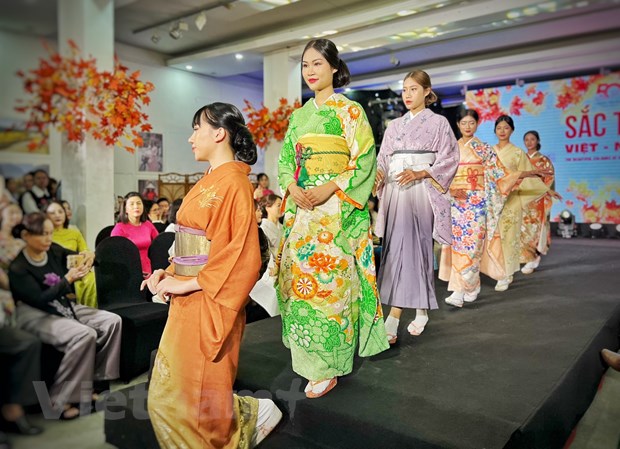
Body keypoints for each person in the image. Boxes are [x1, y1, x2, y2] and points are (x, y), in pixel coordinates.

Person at [143, 102, 281, 448]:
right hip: (189, 297)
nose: (191, 138)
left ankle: (242, 422)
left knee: (192, 404)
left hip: (211, 298)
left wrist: (186, 283)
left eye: (196, 129)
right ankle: (247, 414)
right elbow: (190, 245)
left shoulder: (234, 183)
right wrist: (167, 272)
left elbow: (240, 256)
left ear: (219, 133)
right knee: (168, 396)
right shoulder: (209, 180)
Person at [276, 38, 388, 398]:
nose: (310, 71)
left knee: (332, 288)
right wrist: (291, 187)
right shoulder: (299, 116)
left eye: (317, 64)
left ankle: (330, 365)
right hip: (303, 214)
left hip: (335, 212)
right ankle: (307, 360)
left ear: (334, 68)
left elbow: (364, 159)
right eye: (305, 65)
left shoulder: (351, 111)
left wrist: (330, 187)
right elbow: (285, 163)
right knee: (301, 287)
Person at [8, 212, 121, 420]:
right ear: (25, 235)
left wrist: (89, 256)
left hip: (60, 303)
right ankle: (59, 400)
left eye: (50, 233)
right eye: (42, 234)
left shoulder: (52, 250)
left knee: (112, 321)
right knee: (84, 334)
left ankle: (95, 383)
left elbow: (77, 256)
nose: (48, 239)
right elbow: (39, 299)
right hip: (33, 313)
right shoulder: (18, 268)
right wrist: (67, 280)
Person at [374, 70, 459, 343]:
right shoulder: (394, 126)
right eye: (404, 89)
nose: (407, 94)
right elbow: (383, 158)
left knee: (415, 248)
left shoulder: (439, 123)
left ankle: (394, 315)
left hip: (422, 190)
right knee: (396, 249)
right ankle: (421, 309)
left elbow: (450, 157)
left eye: (413, 89)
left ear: (426, 91)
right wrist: (378, 175)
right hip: (396, 189)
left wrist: (422, 172)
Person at [439, 109, 517, 307]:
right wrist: (450, 191)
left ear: (477, 124)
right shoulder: (450, 148)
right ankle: (469, 288)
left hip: (477, 203)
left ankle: (461, 289)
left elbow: (500, 174)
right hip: (457, 203)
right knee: (458, 247)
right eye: (464, 123)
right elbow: (441, 176)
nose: (468, 127)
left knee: (472, 247)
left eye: (471, 123)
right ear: (458, 124)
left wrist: (521, 175)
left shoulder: (484, 149)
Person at [491, 116, 551, 291]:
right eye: (499, 128)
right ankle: (498, 270)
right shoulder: (489, 152)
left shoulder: (517, 153)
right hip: (492, 201)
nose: (502, 131)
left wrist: (545, 190)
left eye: (506, 128)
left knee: (509, 238)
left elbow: (528, 177)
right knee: (494, 238)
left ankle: (506, 273)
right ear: (495, 130)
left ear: (512, 130)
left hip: (511, 200)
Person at [520, 130, 560, 274]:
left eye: (532, 139)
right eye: (526, 139)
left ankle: (533, 257)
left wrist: (541, 193)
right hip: (522, 199)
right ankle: (529, 257)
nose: (529, 142)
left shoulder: (544, 161)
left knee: (534, 230)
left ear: (537, 141)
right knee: (522, 230)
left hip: (537, 201)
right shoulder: (521, 159)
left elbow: (549, 180)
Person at [45, 201, 98, 308]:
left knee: (93, 278)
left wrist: (90, 256)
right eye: (53, 213)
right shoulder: (45, 235)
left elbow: (85, 251)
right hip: (57, 271)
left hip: (77, 267)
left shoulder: (74, 233)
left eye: (60, 212)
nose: (57, 215)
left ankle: (91, 311)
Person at [249, 195, 282, 318]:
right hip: (263, 269)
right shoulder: (263, 228)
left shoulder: (280, 226)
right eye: (278, 205)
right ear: (268, 207)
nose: (260, 213)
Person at [111, 192, 159, 276]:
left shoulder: (148, 225)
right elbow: (116, 254)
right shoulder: (119, 228)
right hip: (127, 271)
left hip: (148, 269)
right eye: (132, 204)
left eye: (139, 203)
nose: (136, 206)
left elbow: (159, 244)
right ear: (125, 209)